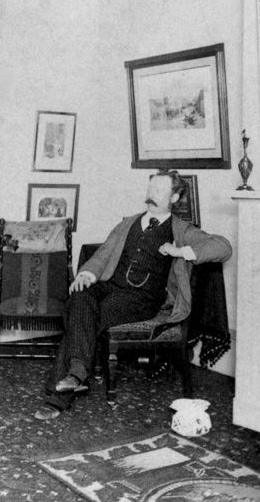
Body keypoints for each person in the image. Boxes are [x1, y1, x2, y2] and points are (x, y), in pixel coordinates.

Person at [34, 171, 232, 421]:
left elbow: (223, 247)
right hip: (111, 286)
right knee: (80, 296)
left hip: (142, 299)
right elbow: (104, 254)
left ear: (175, 197)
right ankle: (77, 373)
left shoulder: (181, 230)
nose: (151, 196)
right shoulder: (128, 222)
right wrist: (86, 274)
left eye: (159, 191)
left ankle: (60, 395)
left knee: (83, 317)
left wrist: (181, 250)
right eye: (150, 189)